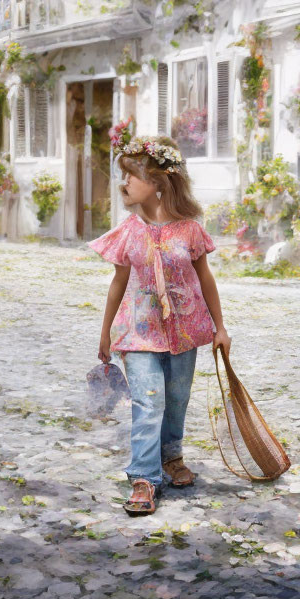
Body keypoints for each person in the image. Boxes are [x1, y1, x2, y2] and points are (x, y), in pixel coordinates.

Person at [91, 135, 230, 515]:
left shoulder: (189, 230)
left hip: (185, 331)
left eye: (130, 177)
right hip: (138, 332)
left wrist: (220, 327)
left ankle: (171, 456)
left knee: (176, 400)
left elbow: (206, 279)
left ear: (156, 184)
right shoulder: (127, 232)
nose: (124, 184)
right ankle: (144, 477)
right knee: (148, 401)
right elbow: (119, 282)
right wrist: (105, 331)